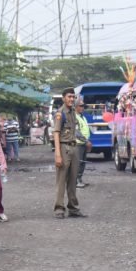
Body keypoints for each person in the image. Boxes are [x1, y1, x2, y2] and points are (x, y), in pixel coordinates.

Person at [53, 87, 85, 218]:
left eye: (73, 97)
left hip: (74, 147)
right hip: (64, 148)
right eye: (69, 97)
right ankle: (59, 209)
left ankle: (73, 208)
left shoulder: (73, 112)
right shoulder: (60, 113)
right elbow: (56, 133)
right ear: (63, 98)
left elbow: (74, 130)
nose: (72, 99)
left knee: (73, 180)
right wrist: (58, 155)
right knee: (61, 181)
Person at [74, 98, 93, 188]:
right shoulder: (75, 117)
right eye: (81, 106)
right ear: (76, 107)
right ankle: (76, 181)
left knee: (83, 163)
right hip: (78, 144)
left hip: (84, 143)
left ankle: (80, 179)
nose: (83, 108)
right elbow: (76, 132)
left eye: (83, 106)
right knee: (78, 163)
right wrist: (86, 141)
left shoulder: (83, 116)